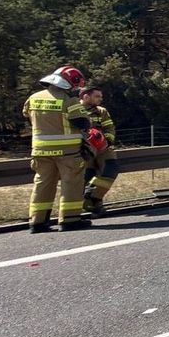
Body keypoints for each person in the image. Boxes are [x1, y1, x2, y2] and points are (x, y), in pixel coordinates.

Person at [22, 66, 92, 232]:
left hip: (40, 151)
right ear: (69, 83)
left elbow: (26, 115)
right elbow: (81, 121)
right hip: (67, 152)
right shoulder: (68, 100)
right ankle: (70, 219)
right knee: (71, 183)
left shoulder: (33, 98)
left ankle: (37, 222)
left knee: (42, 184)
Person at [79, 86, 119, 214]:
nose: (100, 99)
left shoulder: (102, 111)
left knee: (110, 169)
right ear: (86, 96)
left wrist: (107, 141)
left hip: (102, 148)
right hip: (83, 149)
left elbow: (109, 128)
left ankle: (92, 195)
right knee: (88, 176)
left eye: (101, 97)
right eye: (97, 96)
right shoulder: (74, 110)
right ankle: (93, 205)